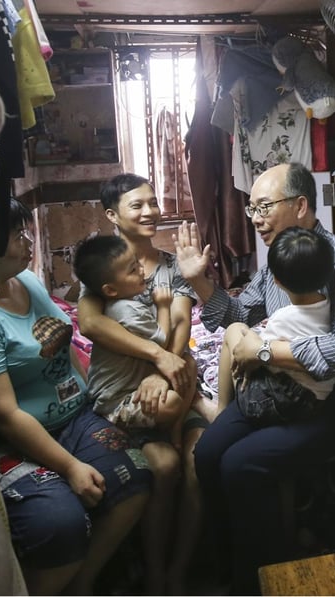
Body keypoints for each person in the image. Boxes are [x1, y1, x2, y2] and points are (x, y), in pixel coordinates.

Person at [175, 161, 335, 594]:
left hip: (324, 404)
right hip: (273, 391)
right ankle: (230, 563)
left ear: (301, 206)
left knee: (241, 465)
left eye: (264, 206)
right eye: (251, 209)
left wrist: (263, 350)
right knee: (206, 456)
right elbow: (241, 316)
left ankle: (261, 579)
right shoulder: (273, 261)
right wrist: (202, 284)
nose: (256, 218)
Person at [0, 199, 152, 595]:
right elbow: (4, 415)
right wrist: (70, 467)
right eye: (17, 235)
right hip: (19, 437)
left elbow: (66, 341)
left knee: (135, 474)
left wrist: (92, 398)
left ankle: (82, 584)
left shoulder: (28, 281)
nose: (28, 240)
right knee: (59, 522)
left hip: (77, 416)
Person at [76, 173, 208, 595]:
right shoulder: (105, 266)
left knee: (195, 464)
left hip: (174, 380)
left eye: (153, 202)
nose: (151, 211)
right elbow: (91, 323)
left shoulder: (173, 267)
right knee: (163, 466)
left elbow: (182, 324)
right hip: (134, 393)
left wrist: (162, 368)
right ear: (113, 215)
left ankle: (179, 571)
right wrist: (155, 357)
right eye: (138, 205)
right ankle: (152, 572)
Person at [73, 234, 192, 448]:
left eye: (137, 262)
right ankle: (153, 432)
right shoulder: (127, 310)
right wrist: (163, 306)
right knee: (171, 402)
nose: (141, 270)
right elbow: (162, 341)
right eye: (132, 269)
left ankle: (174, 431)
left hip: (130, 384)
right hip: (115, 401)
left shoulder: (118, 299)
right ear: (110, 289)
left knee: (188, 364)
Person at [218, 226, 335, 427]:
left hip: (277, 400)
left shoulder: (283, 318)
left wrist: (251, 343)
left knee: (234, 330)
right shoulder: (332, 309)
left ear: (277, 281)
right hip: (317, 401)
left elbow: (252, 356)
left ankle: (221, 409)